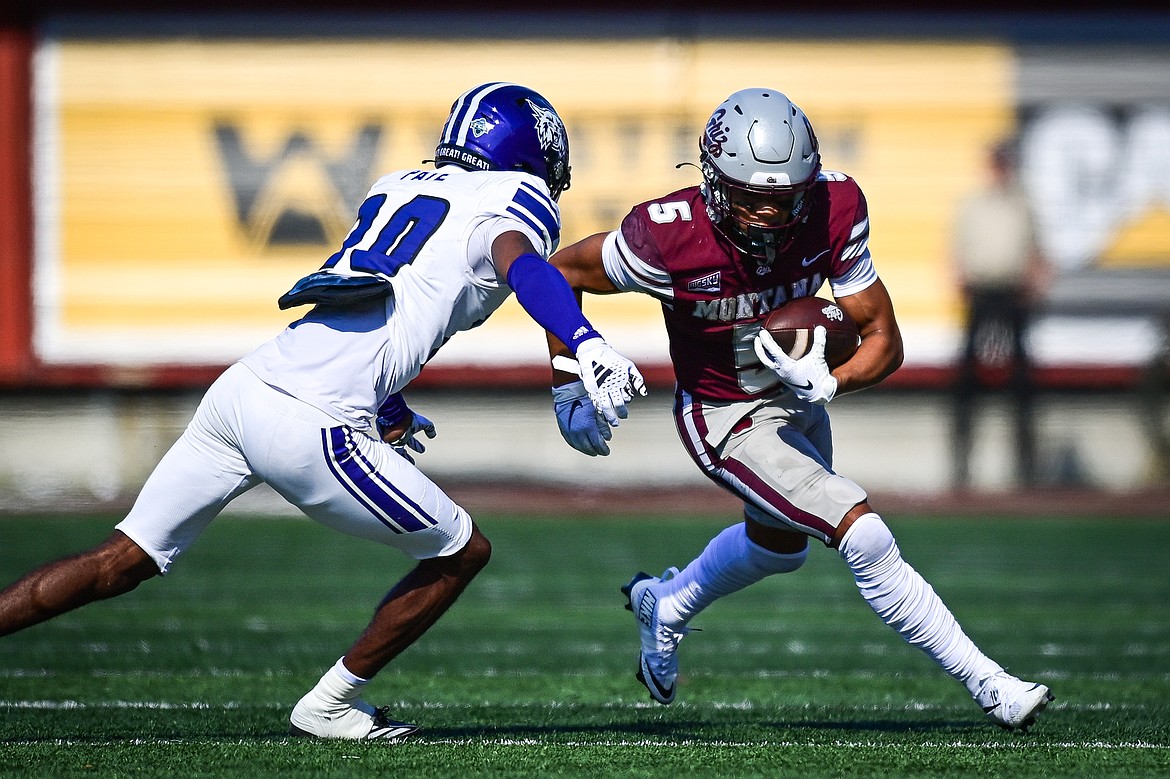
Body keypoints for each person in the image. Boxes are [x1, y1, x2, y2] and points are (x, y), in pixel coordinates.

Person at [0, 82, 644, 741]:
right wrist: (585, 342)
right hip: (313, 420)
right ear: (525, 148)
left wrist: (386, 399)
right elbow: (526, 268)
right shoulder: (514, 199)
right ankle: (330, 703)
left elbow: (369, 294)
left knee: (122, 558)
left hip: (246, 388)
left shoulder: (398, 184)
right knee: (460, 550)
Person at [545, 88, 1053, 731]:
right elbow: (558, 273)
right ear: (713, 178)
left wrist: (831, 383)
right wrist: (568, 375)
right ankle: (991, 685)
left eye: (784, 198)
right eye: (754, 196)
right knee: (862, 533)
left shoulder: (833, 206)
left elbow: (884, 340)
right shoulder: (667, 235)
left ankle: (667, 603)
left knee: (779, 549)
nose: (770, 215)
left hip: (797, 396)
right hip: (724, 414)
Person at [951, 137, 1048, 489]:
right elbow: (957, 251)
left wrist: (1035, 287)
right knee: (965, 383)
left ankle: (1026, 472)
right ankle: (960, 470)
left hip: (1013, 297)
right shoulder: (972, 204)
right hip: (981, 297)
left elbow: (1038, 252)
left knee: (1022, 385)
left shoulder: (1023, 205)